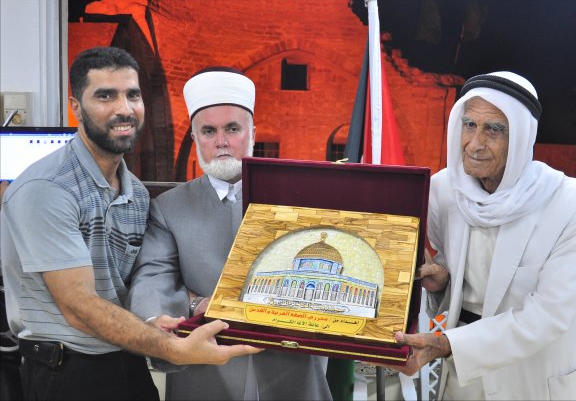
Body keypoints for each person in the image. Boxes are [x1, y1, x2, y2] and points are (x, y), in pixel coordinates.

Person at [0, 47, 260, 401]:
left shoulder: (136, 193)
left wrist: (167, 313)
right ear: (76, 106)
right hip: (65, 372)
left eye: (132, 95)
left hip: (127, 360)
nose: (123, 109)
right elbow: (80, 308)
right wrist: (171, 347)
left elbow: (142, 279)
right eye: (105, 96)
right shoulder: (47, 188)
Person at [126, 67, 332, 400]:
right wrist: (166, 315)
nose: (221, 141)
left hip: (289, 366)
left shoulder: (300, 198)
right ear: (195, 138)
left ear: (253, 133)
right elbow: (154, 276)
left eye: (232, 129)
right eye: (208, 131)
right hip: (205, 369)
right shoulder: (168, 208)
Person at [391, 71, 576, 400]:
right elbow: (461, 285)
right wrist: (442, 282)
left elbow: (549, 314)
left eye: (494, 129)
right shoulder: (443, 191)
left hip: (537, 377)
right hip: (463, 380)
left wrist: (447, 344)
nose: (475, 143)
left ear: (521, 138)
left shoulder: (572, 203)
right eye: (470, 125)